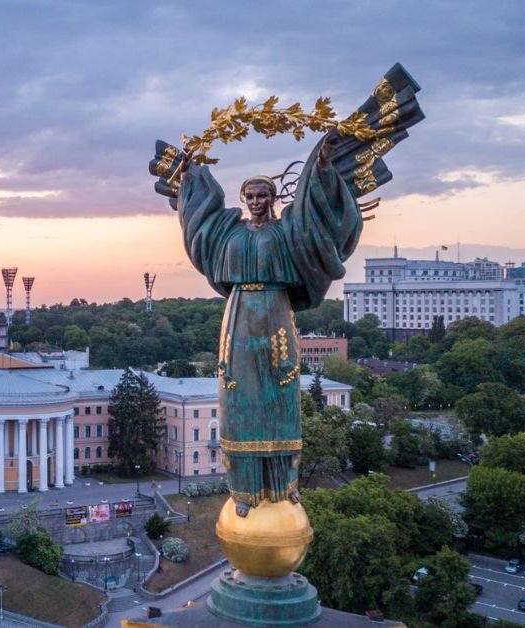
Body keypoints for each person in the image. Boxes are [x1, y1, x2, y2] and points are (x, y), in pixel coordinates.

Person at [149, 64, 424, 516]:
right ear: (244, 200)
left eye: (264, 195)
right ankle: (243, 490)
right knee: (240, 398)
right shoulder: (227, 235)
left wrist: (323, 163)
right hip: (238, 319)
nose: (257, 201)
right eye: (250, 195)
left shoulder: (288, 235)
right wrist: (190, 172)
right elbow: (199, 216)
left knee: (279, 397)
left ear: (274, 198)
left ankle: (283, 485)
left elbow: (316, 210)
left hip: (276, 316)